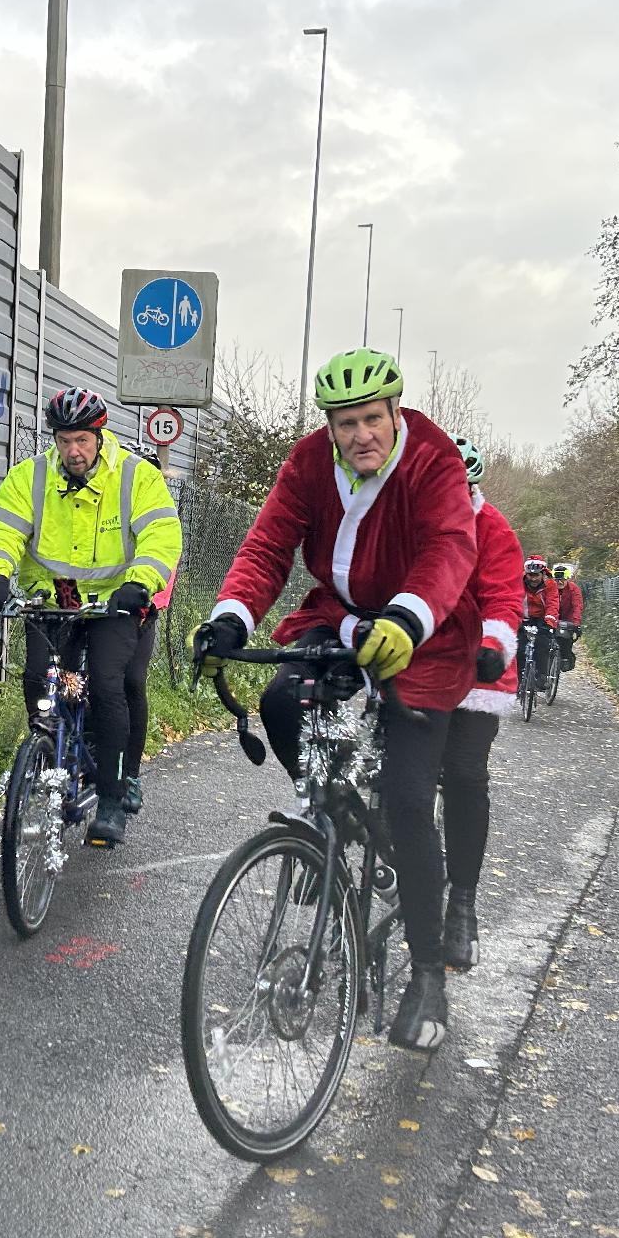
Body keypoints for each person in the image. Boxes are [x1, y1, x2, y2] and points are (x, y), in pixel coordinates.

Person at [194, 349, 478, 1052]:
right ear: (330, 426)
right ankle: (333, 819)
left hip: (426, 631)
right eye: (346, 423)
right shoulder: (308, 463)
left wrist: (410, 618)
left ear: (394, 414)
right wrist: (232, 614)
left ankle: (426, 975)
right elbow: (268, 545)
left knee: (412, 802)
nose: (361, 436)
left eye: (373, 420)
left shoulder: (433, 458)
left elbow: (449, 547)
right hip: (341, 614)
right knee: (284, 703)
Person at [0, 387, 181, 847]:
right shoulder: (31, 477)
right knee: (38, 680)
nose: (74, 450)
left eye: (83, 440)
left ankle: (111, 797)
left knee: (109, 684)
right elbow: (2, 528)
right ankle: (49, 755)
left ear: (99, 435)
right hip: (54, 602)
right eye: (65, 440)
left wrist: (141, 581)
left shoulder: (134, 477)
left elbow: (162, 534)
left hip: (113, 604)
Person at [440, 436, 523, 972]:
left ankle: (462, 903)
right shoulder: (407, 522)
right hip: (414, 663)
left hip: (476, 671)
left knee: (465, 773)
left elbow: (504, 596)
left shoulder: (492, 528)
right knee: (389, 766)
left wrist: (492, 643)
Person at [522, 555, 559, 682]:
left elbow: (552, 604)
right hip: (524, 618)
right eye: (530, 575)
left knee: (542, 643)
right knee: (518, 646)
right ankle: (516, 678)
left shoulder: (550, 585)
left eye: (536, 575)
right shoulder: (518, 583)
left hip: (543, 619)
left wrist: (549, 622)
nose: (533, 579)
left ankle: (542, 676)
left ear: (543, 574)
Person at [552, 561, 584, 669]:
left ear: (567, 579)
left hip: (568, 619)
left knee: (565, 640)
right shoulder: (550, 588)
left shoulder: (574, 589)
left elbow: (577, 606)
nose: (559, 582)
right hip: (552, 617)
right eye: (557, 579)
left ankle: (566, 658)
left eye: (562, 579)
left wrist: (576, 624)